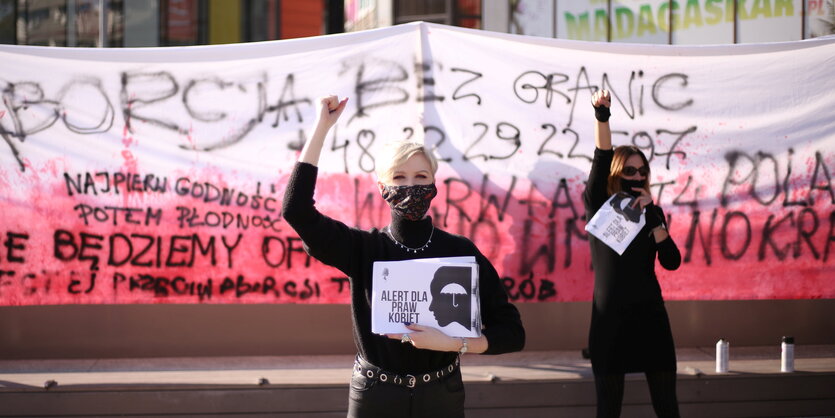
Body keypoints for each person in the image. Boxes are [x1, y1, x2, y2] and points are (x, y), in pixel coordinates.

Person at [282, 95, 525, 418]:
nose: (411, 186)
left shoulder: (461, 251)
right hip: (375, 394)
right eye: (399, 177)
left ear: (435, 184)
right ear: (382, 187)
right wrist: (322, 127)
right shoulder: (363, 249)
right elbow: (296, 210)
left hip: (442, 393)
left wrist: (456, 344)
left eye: (421, 177)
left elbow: (512, 333)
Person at [583, 90, 683, 418]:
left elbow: (671, 261)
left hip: (651, 317)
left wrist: (654, 219)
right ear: (615, 174)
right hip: (610, 319)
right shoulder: (600, 203)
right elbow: (602, 153)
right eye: (629, 171)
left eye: (642, 172)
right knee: (608, 410)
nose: (637, 177)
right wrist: (602, 116)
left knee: (668, 407)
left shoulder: (652, 213)